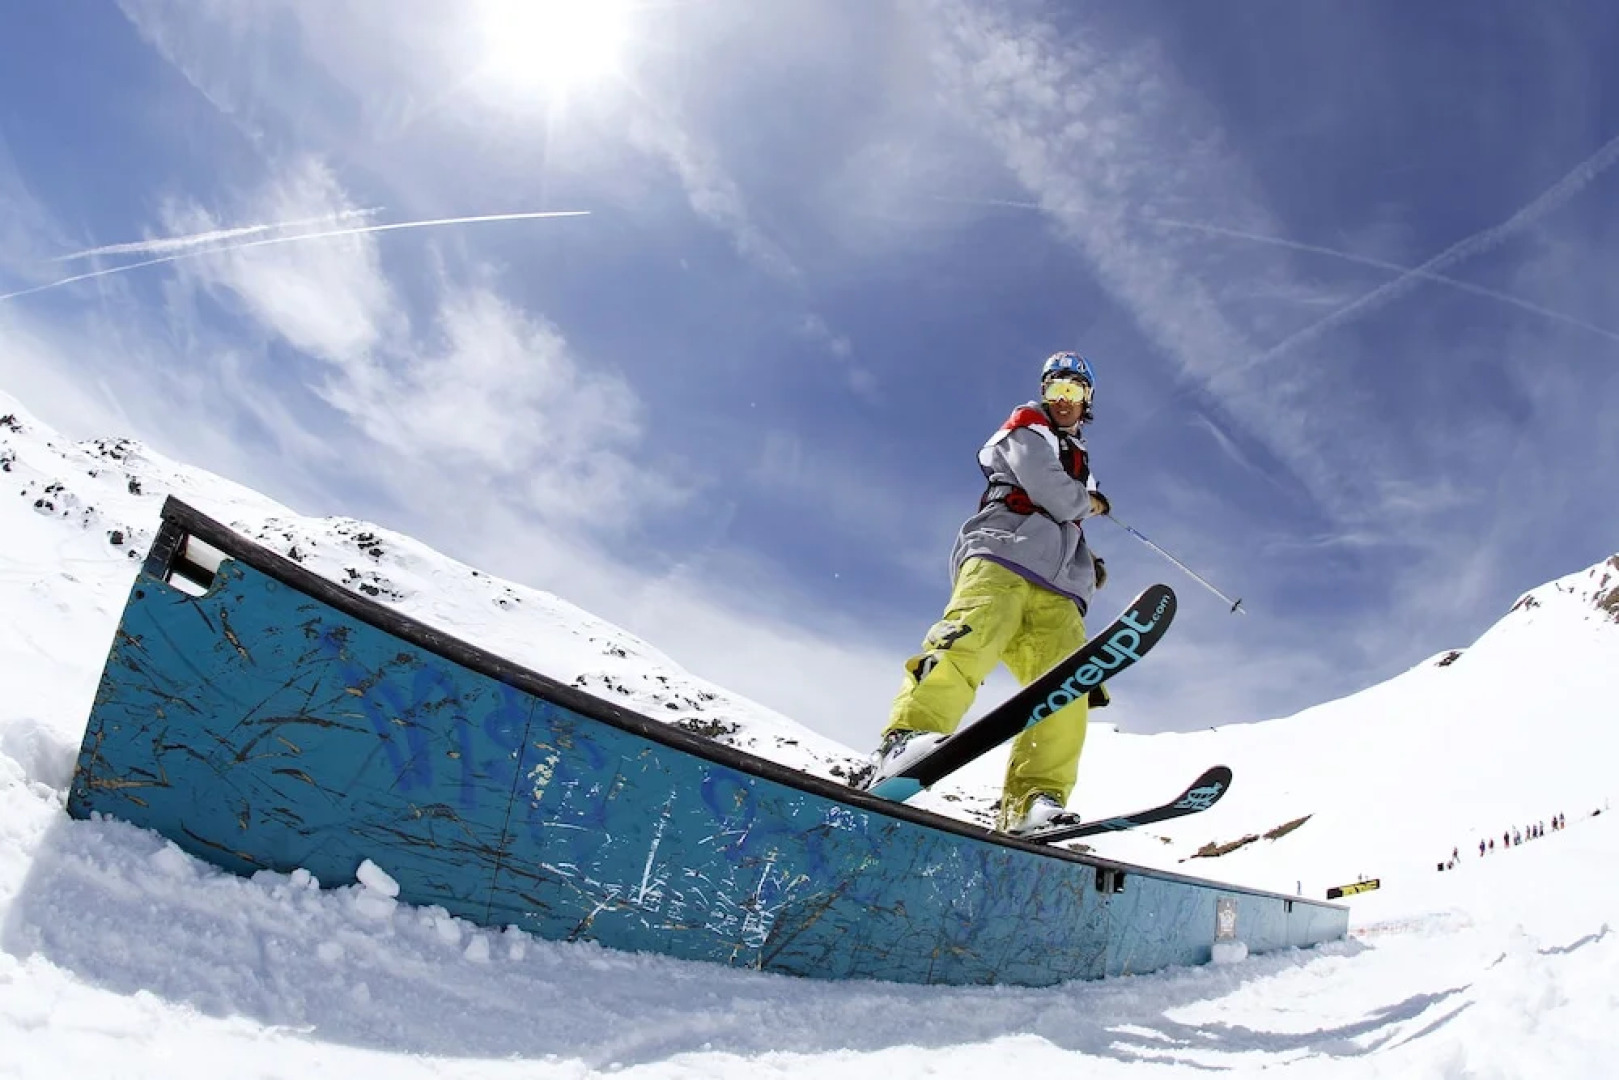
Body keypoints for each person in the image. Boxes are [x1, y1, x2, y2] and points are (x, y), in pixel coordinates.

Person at [865, 350, 1110, 834]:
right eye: (1056, 389)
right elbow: (1053, 494)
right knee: (967, 644)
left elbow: (1066, 516)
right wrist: (1093, 504)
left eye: (1075, 391)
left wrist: (1087, 562)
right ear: (1044, 393)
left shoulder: (1080, 462)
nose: (1064, 400)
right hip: (1001, 555)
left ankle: (1034, 799)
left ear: (1088, 401)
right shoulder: (1027, 428)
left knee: (1066, 690)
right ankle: (907, 738)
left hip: (1057, 589)